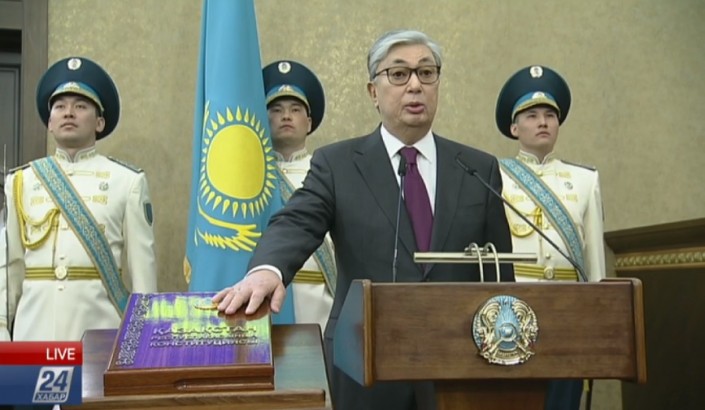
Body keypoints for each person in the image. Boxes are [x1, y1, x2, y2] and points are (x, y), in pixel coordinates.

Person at [214, 29, 514, 410]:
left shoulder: (477, 169)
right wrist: (268, 269)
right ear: (373, 91)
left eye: (426, 73)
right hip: (365, 361)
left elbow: (501, 273)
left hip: (459, 366)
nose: (415, 86)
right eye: (399, 74)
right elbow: (297, 222)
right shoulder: (338, 165)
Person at [0, 56, 157, 342]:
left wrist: (142, 340)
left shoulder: (127, 182)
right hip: (32, 334)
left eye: (81, 106)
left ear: (99, 122)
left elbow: (143, 275)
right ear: (50, 122)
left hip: (100, 334)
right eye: (59, 106)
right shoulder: (21, 182)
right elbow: (10, 267)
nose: (68, 113)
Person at [494, 65, 606, 410]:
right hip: (513, 310)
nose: (542, 122)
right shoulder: (495, 175)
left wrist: (598, 319)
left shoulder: (585, 180)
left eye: (550, 115)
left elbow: (594, 263)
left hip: (568, 312)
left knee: (563, 399)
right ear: (514, 128)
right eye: (531, 115)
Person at [262, 60, 337, 333]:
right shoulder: (250, 177)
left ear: (309, 122)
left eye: (295, 109)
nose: (286, 116)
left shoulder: (328, 172)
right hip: (263, 298)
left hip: (318, 300)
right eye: (276, 109)